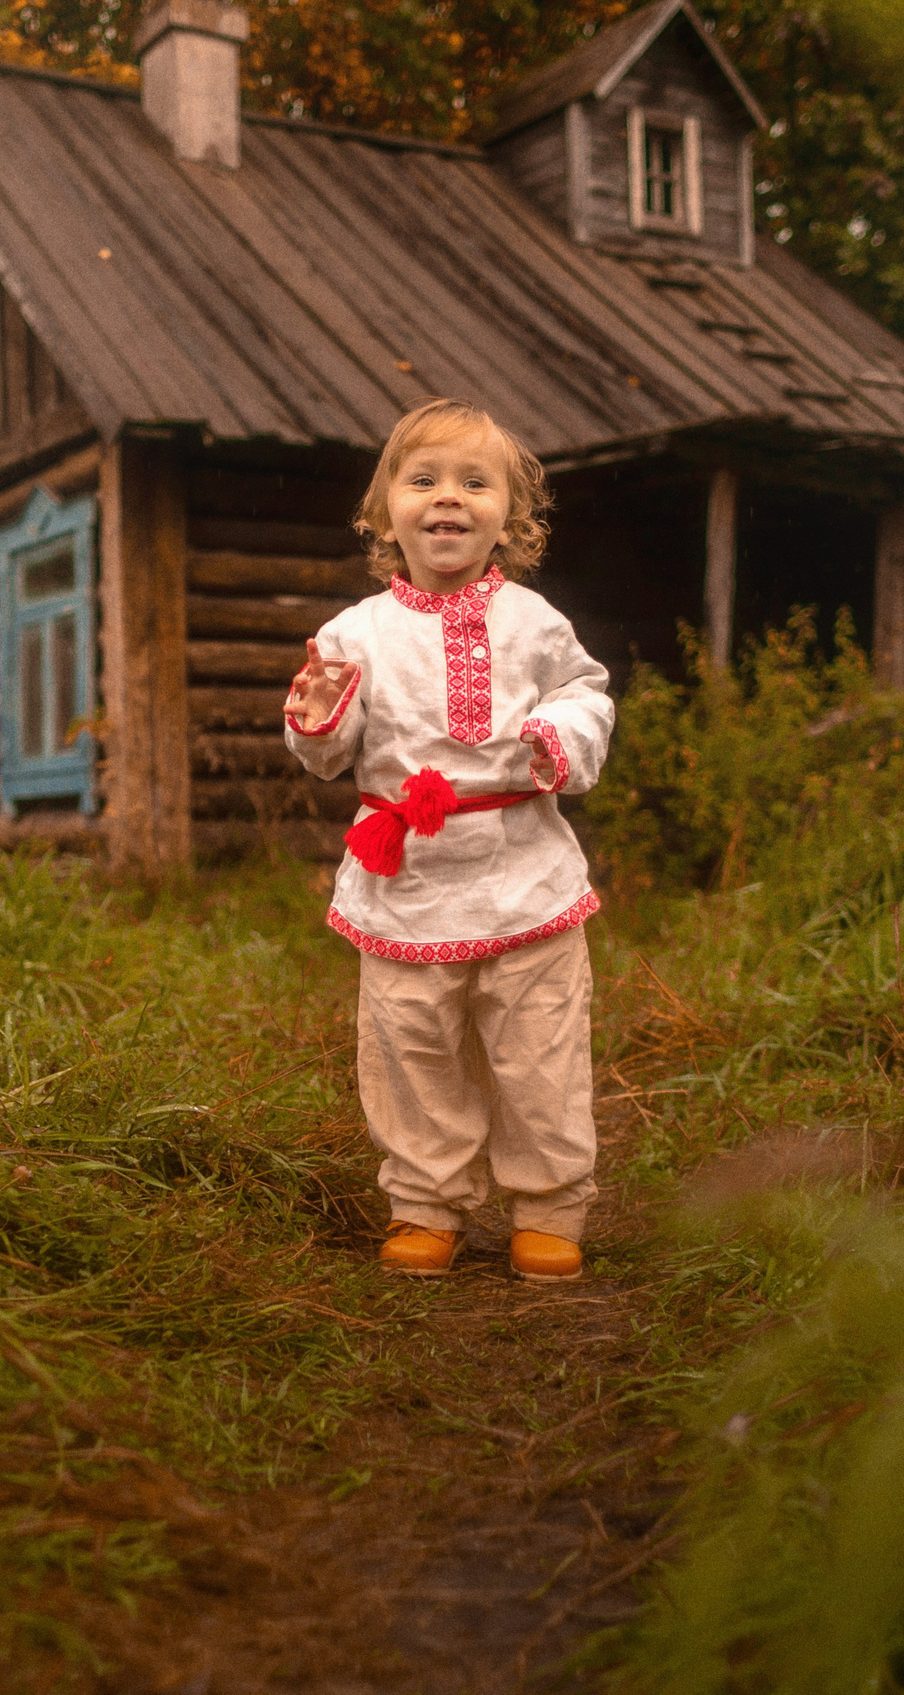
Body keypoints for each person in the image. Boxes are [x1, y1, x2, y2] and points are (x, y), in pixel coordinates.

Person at [282, 398, 616, 1284]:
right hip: (405, 877)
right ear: (385, 505)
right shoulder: (355, 632)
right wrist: (316, 720)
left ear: (512, 515)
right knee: (410, 1047)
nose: (449, 498)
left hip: (524, 871)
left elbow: (588, 694)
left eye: (476, 482)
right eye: (422, 479)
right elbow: (326, 755)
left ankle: (549, 1206)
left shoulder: (536, 624)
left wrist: (558, 732)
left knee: (538, 1046)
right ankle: (427, 1203)